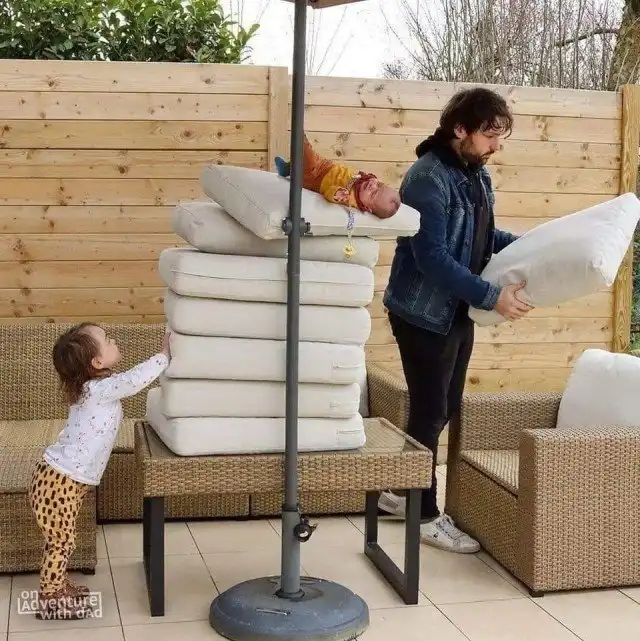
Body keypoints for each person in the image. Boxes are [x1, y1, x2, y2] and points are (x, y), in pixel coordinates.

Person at [379, 87, 532, 553]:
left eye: (500, 136)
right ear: (459, 129)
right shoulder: (428, 178)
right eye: (489, 135)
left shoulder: (475, 172)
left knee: (445, 407)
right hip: (422, 313)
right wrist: (492, 297)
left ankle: (402, 492)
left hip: (455, 310)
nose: (496, 146)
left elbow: (482, 236)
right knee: (430, 411)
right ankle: (424, 515)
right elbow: (433, 258)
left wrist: (536, 247)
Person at [29, 323, 171, 619]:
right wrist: (163, 356)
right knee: (61, 541)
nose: (114, 340)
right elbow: (133, 380)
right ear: (96, 362)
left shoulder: (94, 387)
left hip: (58, 478)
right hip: (59, 480)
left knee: (62, 539)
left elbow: (124, 381)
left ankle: (58, 585)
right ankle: (50, 598)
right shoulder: (97, 390)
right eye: (107, 339)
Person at [275, 134, 401, 219]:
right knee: (307, 160)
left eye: (373, 194)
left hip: (315, 178)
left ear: (368, 208)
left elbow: (329, 193)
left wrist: (337, 194)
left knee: (307, 154)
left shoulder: (351, 198)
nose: (372, 186)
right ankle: (287, 168)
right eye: (379, 185)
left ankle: (300, 137)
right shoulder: (365, 180)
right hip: (326, 166)